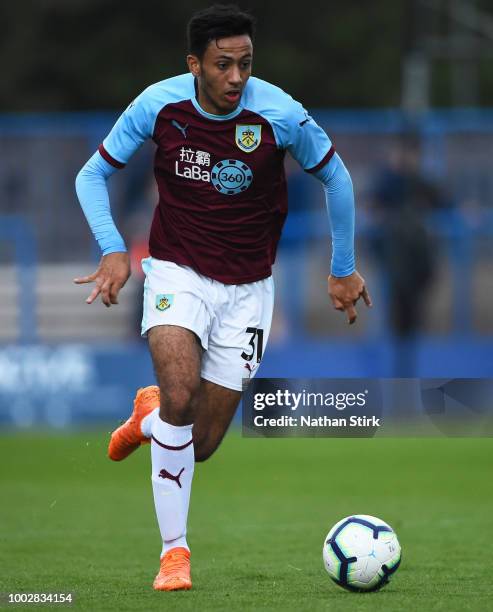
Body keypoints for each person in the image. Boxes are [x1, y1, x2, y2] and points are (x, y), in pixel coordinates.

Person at [74, 4, 371, 592]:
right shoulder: (158, 105)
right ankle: (174, 554)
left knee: (201, 442)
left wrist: (343, 269)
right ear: (195, 65)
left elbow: (337, 178)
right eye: (223, 65)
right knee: (181, 396)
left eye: (246, 64)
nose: (237, 76)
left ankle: (148, 416)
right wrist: (112, 248)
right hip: (176, 273)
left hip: (249, 291)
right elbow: (91, 174)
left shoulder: (280, 113)